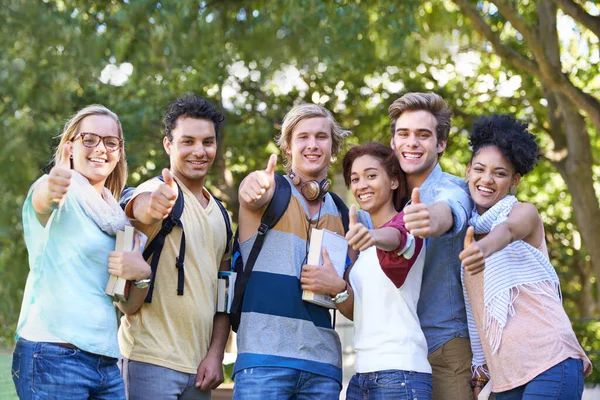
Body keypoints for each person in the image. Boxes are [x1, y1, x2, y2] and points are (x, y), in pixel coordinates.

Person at [11, 105, 151, 399]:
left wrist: (143, 275)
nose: (100, 148)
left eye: (110, 141)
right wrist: (53, 186)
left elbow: (127, 305)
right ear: (70, 146)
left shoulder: (116, 218)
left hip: (105, 363)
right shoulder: (62, 193)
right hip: (52, 356)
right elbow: (42, 200)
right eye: (89, 139)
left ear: (119, 152)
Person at [459, 114, 592, 399]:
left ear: (514, 180)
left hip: (551, 361)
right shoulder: (467, 228)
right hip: (506, 376)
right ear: (468, 171)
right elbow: (481, 312)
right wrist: (480, 371)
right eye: (480, 169)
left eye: (500, 173)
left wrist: (482, 249)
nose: (486, 179)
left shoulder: (523, 213)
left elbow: (507, 231)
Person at [233, 103, 350, 400]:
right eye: (303, 137)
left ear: (333, 145)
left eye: (321, 137)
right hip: (263, 363)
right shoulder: (272, 192)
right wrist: (254, 186)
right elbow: (254, 190)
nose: (312, 144)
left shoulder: (344, 214)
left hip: (323, 369)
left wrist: (337, 288)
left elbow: (353, 306)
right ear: (287, 145)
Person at [118, 94, 231, 400]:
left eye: (207, 142)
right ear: (168, 145)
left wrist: (216, 353)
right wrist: (151, 206)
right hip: (148, 360)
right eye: (188, 141)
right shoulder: (158, 190)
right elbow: (136, 206)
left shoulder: (222, 215)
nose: (199, 151)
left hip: (198, 371)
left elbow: (224, 293)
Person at [305, 142, 432, 399]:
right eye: (355, 178)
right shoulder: (363, 248)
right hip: (362, 375)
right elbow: (358, 312)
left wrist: (373, 236)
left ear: (394, 181)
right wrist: (337, 288)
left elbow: (398, 239)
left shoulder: (409, 224)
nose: (361, 184)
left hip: (400, 374)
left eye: (371, 176)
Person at [379, 92, 474, 399]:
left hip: (444, 346)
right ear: (393, 142)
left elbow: (449, 211)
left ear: (441, 144)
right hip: (396, 355)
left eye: (423, 135)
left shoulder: (452, 188)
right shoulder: (383, 199)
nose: (412, 143)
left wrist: (429, 219)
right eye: (403, 134)